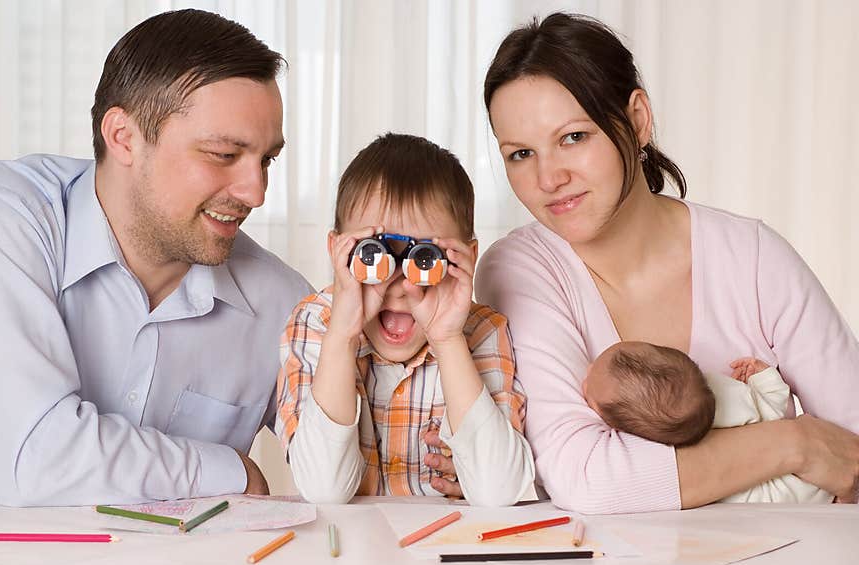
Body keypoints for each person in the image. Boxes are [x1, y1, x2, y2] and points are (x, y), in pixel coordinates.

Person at [474, 12, 859, 514]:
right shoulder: (519, 271)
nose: (549, 178)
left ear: (636, 119)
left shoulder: (753, 257)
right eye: (521, 153)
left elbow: (852, 453)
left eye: (573, 137)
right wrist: (796, 444)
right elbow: (585, 478)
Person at [0, 9, 313, 506]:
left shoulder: (284, 304)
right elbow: (36, 460)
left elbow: (351, 472)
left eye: (266, 159)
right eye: (223, 154)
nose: (256, 192)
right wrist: (232, 470)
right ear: (124, 137)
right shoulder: (6, 220)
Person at [273, 133, 535, 506]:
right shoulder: (317, 323)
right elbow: (322, 489)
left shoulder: (481, 332)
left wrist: (447, 340)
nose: (397, 285)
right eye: (373, 255)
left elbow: (500, 491)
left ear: (465, 257)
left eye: (423, 259)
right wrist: (343, 337)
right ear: (336, 251)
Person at [583, 341, 832, 503]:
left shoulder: (652, 447)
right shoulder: (722, 394)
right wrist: (763, 376)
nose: (589, 368)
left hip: (772, 498)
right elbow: (774, 406)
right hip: (802, 480)